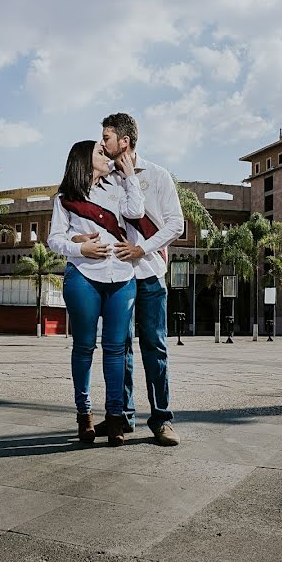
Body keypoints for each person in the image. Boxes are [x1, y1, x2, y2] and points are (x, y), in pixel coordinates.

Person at [75, 113, 184, 446]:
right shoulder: (102, 179)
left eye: (106, 137)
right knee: (118, 348)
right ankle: (120, 418)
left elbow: (176, 225)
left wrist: (143, 249)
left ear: (124, 141)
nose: (102, 143)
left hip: (149, 275)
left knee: (155, 347)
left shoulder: (158, 175)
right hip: (115, 277)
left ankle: (162, 420)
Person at [48, 140, 145, 446]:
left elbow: (136, 210)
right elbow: (54, 239)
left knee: (117, 350)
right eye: (100, 153)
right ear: (83, 160)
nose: (107, 156)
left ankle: (115, 417)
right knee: (84, 347)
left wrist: (130, 177)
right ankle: (84, 416)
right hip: (84, 278)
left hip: (121, 277)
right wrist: (81, 247)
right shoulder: (64, 198)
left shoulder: (117, 188)